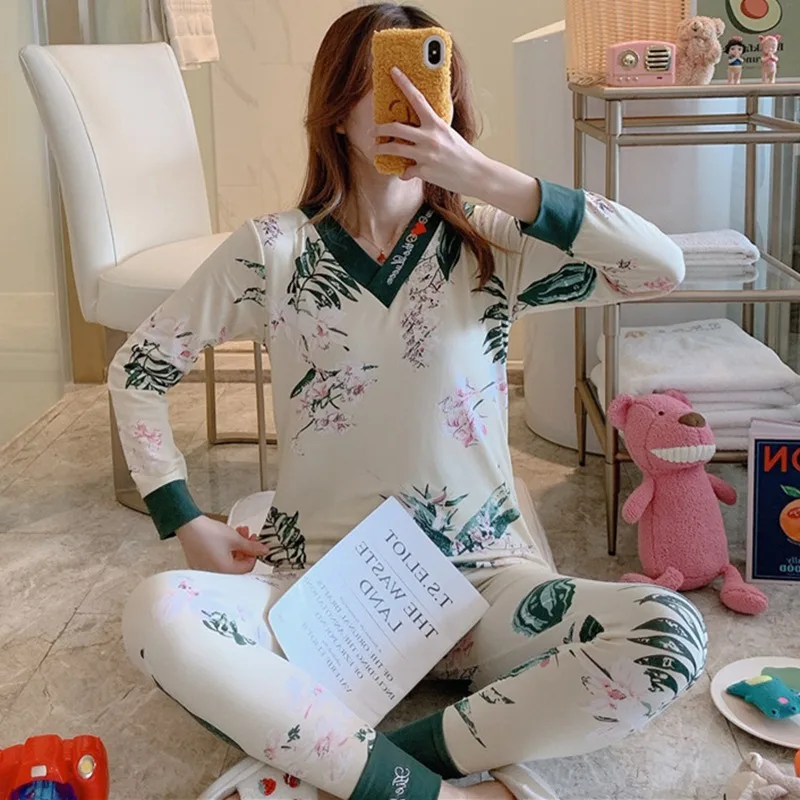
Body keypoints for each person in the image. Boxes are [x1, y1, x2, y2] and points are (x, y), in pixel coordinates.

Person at [111, 5, 705, 799]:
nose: (412, 103)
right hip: (317, 592)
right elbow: (139, 369)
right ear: (337, 111)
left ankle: (366, 765)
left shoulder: (493, 242)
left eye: (428, 82)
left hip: (486, 588)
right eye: (382, 84)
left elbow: (660, 267)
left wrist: (483, 176)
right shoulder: (274, 252)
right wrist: (183, 517)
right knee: (155, 613)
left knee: (669, 632)